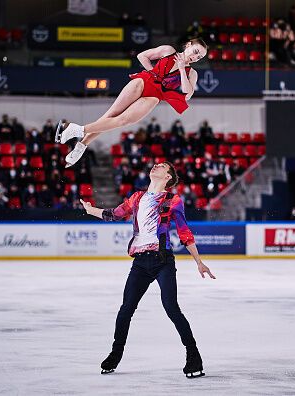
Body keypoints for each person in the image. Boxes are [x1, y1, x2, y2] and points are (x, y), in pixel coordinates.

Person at [80, 161, 215, 377]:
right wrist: (91, 210)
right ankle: (115, 354)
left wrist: (199, 262)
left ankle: (193, 355)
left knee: (171, 308)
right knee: (126, 309)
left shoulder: (174, 201)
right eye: (155, 164)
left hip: (163, 261)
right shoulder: (137, 197)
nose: (155, 166)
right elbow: (115, 214)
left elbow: (184, 232)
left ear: (168, 177)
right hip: (141, 262)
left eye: (161, 166)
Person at [54, 38, 208, 167]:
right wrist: (153, 73)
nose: (196, 57)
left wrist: (182, 69)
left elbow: (187, 94)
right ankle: (80, 146)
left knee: (123, 121)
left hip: (155, 96)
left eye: (199, 57)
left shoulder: (191, 73)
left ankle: (77, 130)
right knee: (112, 115)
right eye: (196, 52)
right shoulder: (168, 50)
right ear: (188, 45)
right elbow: (142, 56)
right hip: (143, 82)